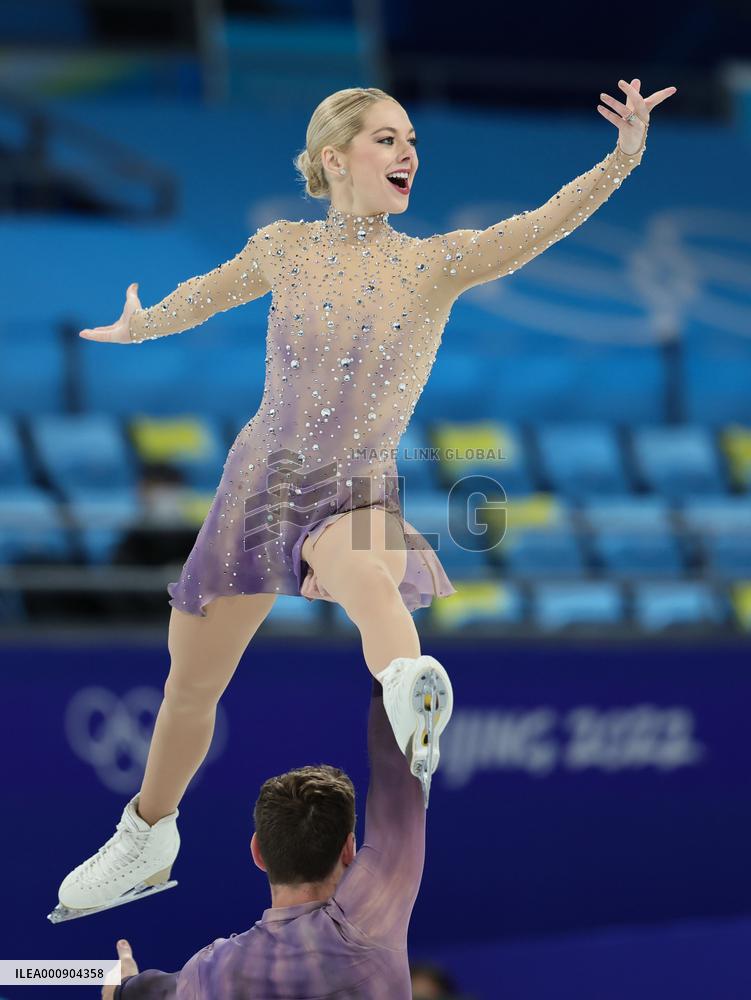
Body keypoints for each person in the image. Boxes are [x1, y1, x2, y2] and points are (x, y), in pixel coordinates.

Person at [50, 78, 675, 923]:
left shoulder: (433, 262)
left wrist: (622, 158)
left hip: (353, 489)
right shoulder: (283, 246)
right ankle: (146, 837)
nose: (407, 151)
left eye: (411, 137)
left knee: (368, 576)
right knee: (188, 688)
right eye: (387, 138)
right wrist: (143, 324)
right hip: (257, 488)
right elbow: (209, 291)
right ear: (334, 157)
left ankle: (410, 698)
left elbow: (538, 226)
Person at [104, 665, 448, 998]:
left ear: (258, 853)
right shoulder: (366, 922)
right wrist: (389, 643)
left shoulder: (213, 972)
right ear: (349, 849)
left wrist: (124, 988)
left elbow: (156, 992)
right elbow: (398, 770)